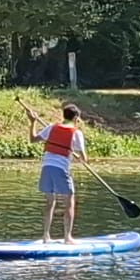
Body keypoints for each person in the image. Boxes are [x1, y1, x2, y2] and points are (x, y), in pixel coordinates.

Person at [24, 101, 88, 242]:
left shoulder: (51, 128)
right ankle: (67, 237)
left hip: (46, 168)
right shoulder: (76, 133)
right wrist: (76, 154)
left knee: (49, 202)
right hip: (60, 169)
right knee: (69, 202)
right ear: (76, 118)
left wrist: (32, 122)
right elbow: (84, 159)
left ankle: (46, 236)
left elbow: (32, 139)